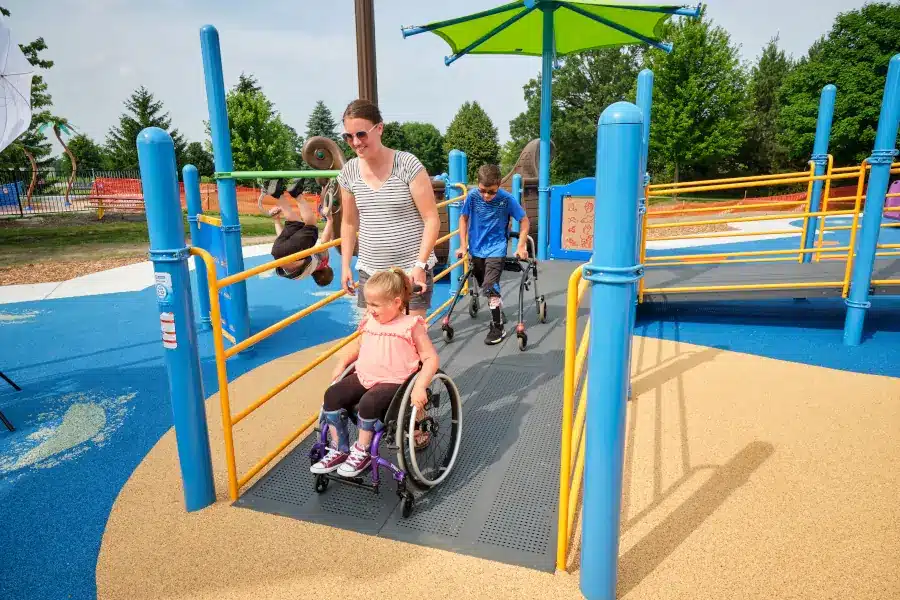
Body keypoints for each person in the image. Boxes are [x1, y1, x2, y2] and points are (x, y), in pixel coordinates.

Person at [311, 268, 439, 477]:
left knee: (368, 403)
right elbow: (359, 345)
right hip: (365, 376)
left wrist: (420, 386)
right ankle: (339, 448)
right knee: (331, 395)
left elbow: (430, 358)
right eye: (368, 304)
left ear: (396, 302)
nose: (369, 310)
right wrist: (342, 362)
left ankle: (361, 451)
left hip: (395, 381)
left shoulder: (411, 325)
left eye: (375, 305)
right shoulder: (371, 321)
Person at [336, 99, 440, 318]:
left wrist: (420, 265)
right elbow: (348, 222)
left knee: (411, 339)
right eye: (348, 136)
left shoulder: (407, 165)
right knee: (375, 340)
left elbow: (431, 219)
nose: (355, 142)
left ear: (379, 128)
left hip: (411, 272)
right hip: (371, 274)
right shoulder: (348, 173)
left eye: (361, 134)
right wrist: (345, 265)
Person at [456, 164, 531, 345]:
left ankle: (498, 327)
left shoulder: (506, 199)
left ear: (499, 184)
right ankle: (497, 306)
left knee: (490, 286)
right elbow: (463, 218)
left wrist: (521, 245)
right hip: (476, 249)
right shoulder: (473, 196)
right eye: (483, 190)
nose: (487, 196)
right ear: (478, 185)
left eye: (491, 192)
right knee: (486, 286)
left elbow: (524, 220)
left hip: (497, 249)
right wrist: (462, 244)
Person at [265, 178, 335, 286]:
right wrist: (276, 220)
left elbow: (324, 243)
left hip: (289, 254)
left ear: (326, 267)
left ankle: (296, 193)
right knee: (294, 223)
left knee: (311, 227)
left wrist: (330, 219)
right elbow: (283, 245)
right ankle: (278, 193)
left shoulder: (321, 262)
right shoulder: (299, 275)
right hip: (277, 252)